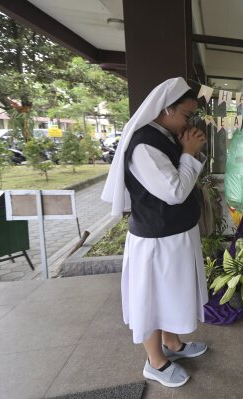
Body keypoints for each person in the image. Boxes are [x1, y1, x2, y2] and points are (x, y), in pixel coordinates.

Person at [101, 77, 209, 388]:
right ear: (166, 109)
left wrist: (188, 150)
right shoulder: (144, 146)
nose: (189, 122)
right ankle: (155, 362)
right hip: (156, 240)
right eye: (186, 116)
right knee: (151, 298)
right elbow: (174, 190)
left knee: (169, 295)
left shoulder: (164, 135)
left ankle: (173, 344)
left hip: (173, 235)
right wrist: (189, 152)